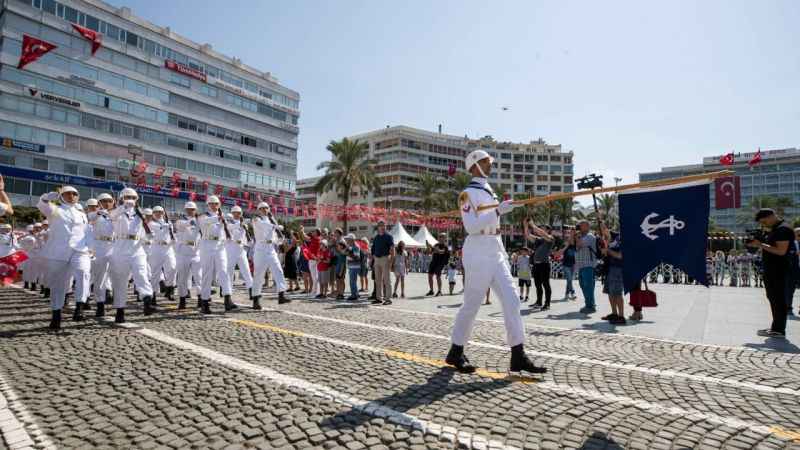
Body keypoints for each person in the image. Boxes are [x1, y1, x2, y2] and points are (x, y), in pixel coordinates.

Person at [446, 149, 546, 376]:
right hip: (478, 250)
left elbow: (490, 219)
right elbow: (471, 226)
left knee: (512, 301)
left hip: (495, 248)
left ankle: (518, 355)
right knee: (472, 304)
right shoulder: (466, 194)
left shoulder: (488, 191)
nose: (489, 165)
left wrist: (501, 210)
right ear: (474, 166)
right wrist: (498, 211)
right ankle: (456, 350)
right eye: (485, 162)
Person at [36, 186, 91, 329]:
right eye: (68, 194)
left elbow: (86, 232)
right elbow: (42, 205)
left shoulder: (82, 214)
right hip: (59, 251)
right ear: (61, 196)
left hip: (80, 250)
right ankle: (56, 314)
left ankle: (79, 307)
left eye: (74, 194)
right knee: (58, 284)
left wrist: (90, 247)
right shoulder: (55, 210)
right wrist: (48, 197)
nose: (71, 196)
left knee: (84, 273)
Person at [108, 188, 154, 323]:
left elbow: (146, 231)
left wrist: (148, 239)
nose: (130, 200)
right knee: (120, 280)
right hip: (120, 247)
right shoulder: (117, 211)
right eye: (127, 197)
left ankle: (147, 299)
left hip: (136, 248)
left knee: (141, 273)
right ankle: (120, 310)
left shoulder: (140, 213)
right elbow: (111, 216)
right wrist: (123, 206)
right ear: (122, 198)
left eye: (133, 198)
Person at [747, 208, 794, 338]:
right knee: (773, 297)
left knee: (778, 298)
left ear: (771, 216)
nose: (764, 225)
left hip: (779, 269)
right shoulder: (776, 229)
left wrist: (760, 244)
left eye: (764, 222)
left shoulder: (783, 229)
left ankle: (779, 329)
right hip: (772, 269)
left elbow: (781, 251)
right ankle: (776, 327)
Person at [251, 202, 289, 307]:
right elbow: (262, 225)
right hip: (260, 249)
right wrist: (275, 225)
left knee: (278, 270)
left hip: (271, 248)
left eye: (266, 208)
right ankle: (256, 298)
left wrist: (280, 240)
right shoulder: (256, 218)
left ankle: (281, 295)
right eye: (262, 208)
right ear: (259, 209)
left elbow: (274, 238)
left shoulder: (271, 220)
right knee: (259, 274)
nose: (264, 210)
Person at [174, 202, 203, 310]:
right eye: (189, 209)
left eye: (193, 209)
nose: (191, 211)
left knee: (199, 277)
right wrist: (195, 220)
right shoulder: (180, 220)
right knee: (182, 278)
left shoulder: (199, 221)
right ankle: (182, 299)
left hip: (196, 252)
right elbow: (182, 225)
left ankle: (201, 298)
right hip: (184, 252)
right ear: (186, 210)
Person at [147, 206, 177, 304]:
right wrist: (166, 226)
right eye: (156, 212)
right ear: (153, 214)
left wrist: (173, 238)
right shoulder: (151, 223)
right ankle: (153, 294)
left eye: (160, 212)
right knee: (155, 272)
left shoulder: (169, 223)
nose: (159, 214)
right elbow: (157, 229)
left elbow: (171, 234)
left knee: (172, 268)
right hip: (156, 247)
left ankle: (170, 289)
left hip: (168, 248)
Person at [226, 205, 255, 297]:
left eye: (239, 213)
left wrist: (248, 239)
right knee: (230, 271)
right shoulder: (228, 222)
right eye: (235, 213)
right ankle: (228, 292)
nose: (237, 214)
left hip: (241, 249)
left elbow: (246, 239)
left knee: (246, 271)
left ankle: (252, 291)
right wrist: (240, 225)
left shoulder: (245, 225)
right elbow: (229, 228)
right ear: (232, 213)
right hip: (231, 248)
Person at [525, 221, 554, 311]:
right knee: (537, 285)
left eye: (544, 228)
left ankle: (547, 303)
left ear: (548, 230)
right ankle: (539, 302)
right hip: (536, 265)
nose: (541, 230)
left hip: (544, 265)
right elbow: (528, 235)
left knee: (546, 284)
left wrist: (533, 225)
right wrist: (526, 225)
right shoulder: (539, 240)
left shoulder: (551, 238)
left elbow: (542, 233)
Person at [601, 229, 625, 325]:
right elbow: (605, 229)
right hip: (611, 268)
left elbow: (620, 256)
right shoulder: (616, 236)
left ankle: (621, 316)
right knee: (610, 292)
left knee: (617, 293)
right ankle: (614, 313)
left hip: (618, 269)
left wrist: (608, 250)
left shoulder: (626, 239)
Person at [575, 220, 598, 314]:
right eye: (579, 225)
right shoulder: (580, 236)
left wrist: (578, 236)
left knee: (588, 285)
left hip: (588, 264)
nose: (580, 227)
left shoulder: (590, 236)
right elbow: (575, 246)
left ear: (588, 226)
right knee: (583, 285)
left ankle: (590, 306)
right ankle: (589, 303)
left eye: (582, 225)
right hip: (581, 265)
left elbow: (580, 245)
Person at [371, 220, 395, 305]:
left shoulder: (389, 236)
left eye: (383, 225)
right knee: (377, 280)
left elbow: (392, 249)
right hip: (377, 259)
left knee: (386, 280)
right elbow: (373, 249)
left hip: (385, 258)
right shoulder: (376, 237)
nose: (382, 227)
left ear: (385, 226)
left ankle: (388, 298)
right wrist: (374, 258)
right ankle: (378, 298)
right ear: (378, 227)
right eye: (380, 225)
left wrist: (391, 261)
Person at [560, 229, 577, 300]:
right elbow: (561, 251)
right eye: (570, 232)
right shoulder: (566, 241)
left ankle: (566, 294)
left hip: (573, 264)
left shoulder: (576, 242)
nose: (571, 234)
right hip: (566, 264)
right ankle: (572, 293)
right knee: (569, 279)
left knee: (569, 280)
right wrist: (567, 245)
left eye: (573, 232)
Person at [345, 234, 361, 301]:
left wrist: (349, 253)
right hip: (351, 266)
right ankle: (356, 293)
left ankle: (354, 295)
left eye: (348, 239)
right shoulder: (351, 246)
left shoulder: (355, 246)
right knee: (353, 281)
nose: (347, 240)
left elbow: (357, 257)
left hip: (354, 266)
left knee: (352, 281)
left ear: (352, 240)